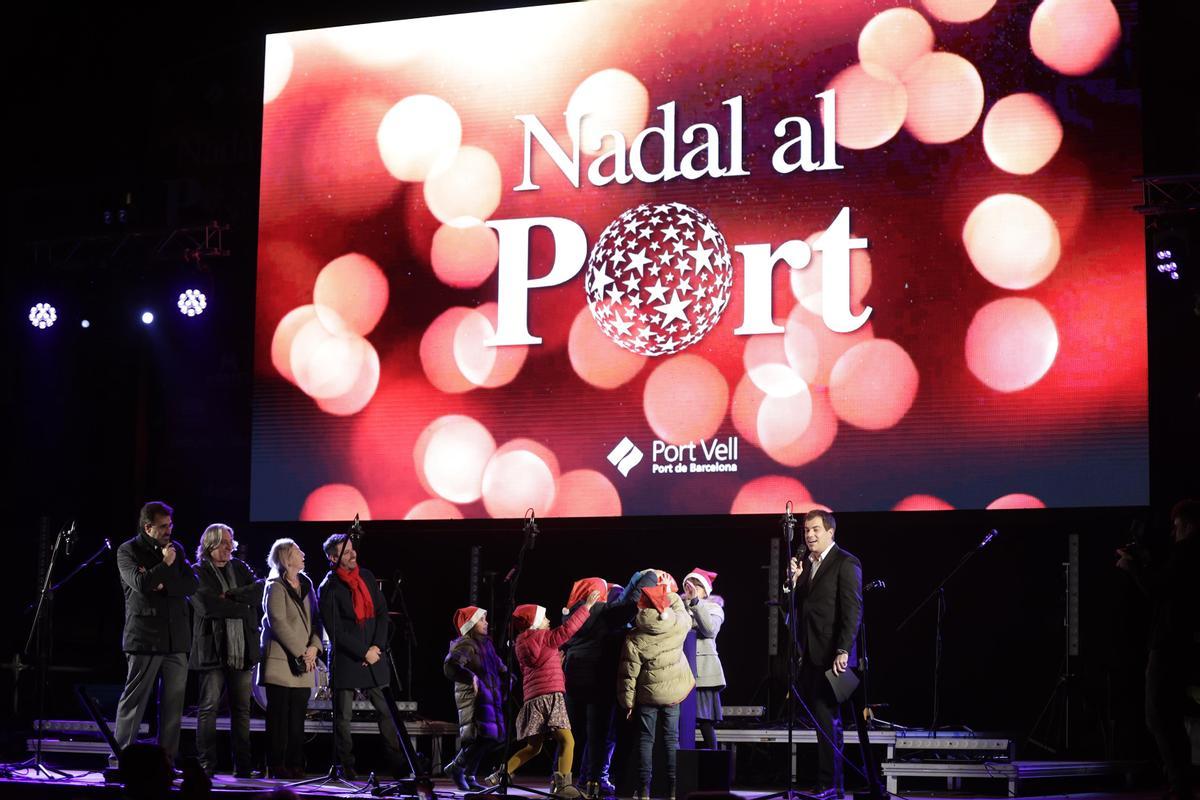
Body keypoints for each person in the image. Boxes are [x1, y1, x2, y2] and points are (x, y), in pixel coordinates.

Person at [1117, 499, 1198, 800]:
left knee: (1159, 716)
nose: (1173, 531)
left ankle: (1180, 785)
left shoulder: (1185, 553)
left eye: (1177, 526)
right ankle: (1180, 782)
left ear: (1188, 525)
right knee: (1170, 716)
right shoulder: (1188, 555)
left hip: (1168, 644)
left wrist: (1131, 567)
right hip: (1178, 643)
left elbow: (1159, 589)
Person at [484, 592, 600, 798]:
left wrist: (557, 660)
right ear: (536, 623)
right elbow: (568, 630)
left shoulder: (522, 644)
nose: (548, 621)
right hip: (551, 697)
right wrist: (587, 607)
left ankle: (501, 773)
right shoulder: (545, 638)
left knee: (533, 747)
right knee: (568, 741)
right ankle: (564, 786)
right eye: (544, 618)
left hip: (533, 700)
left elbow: (539, 666)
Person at [317, 533, 408, 780]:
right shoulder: (329, 587)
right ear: (333, 558)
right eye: (346, 553)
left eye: (352, 550)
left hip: (374, 655)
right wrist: (362, 651)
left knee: (386, 712)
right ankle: (346, 766)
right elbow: (335, 630)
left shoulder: (366, 576)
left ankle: (398, 763)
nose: (353, 554)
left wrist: (376, 647)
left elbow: (381, 613)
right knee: (343, 717)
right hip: (348, 658)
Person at [786, 510, 863, 800]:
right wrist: (793, 582)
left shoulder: (845, 562)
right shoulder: (807, 566)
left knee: (828, 719)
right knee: (821, 721)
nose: (809, 535)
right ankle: (830, 784)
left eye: (815, 529)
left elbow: (853, 610)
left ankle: (831, 784)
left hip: (833, 656)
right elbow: (794, 607)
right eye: (806, 530)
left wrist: (844, 649)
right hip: (809, 654)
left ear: (830, 532)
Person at [114, 501, 198, 764]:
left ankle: (167, 762)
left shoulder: (178, 549)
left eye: (170, 525)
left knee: (173, 707)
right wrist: (165, 565)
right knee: (134, 701)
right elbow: (140, 583)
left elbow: (191, 584)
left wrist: (162, 584)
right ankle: (120, 759)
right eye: (163, 527)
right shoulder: (128, 551)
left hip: (176, 639)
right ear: (148, 527)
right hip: (145, 638)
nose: (168, 531)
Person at [190, 523, 263, 778]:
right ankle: (206, 766)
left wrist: (229, 596)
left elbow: (259, 591)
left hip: (241, 649)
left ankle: (242, 766)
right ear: (210, 545)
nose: (229, 546)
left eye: (231, 541)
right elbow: (206, 607)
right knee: (208, 708)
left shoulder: (240, 567)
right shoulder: (197, 571)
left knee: (241, 710)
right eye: (223, 542)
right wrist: (240, 606)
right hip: (212, 649)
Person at [617, 583, 694, 800]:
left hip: (647, 696)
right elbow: (680, 608)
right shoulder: (678, 624)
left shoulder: (635, 637)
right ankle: (672, 791)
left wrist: (628, 704)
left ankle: (643, 791)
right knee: (671, 740)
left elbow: (628, 675)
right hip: (673, 693)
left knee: (645, 740)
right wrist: (666, 591)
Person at [260, 538, 323, 779]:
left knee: (298, 717)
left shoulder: (306, 583)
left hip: (305, 660)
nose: (303, 553)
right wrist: (301, 651)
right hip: (282, 660)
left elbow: (317, 620)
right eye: (298, 551)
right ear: (287, 558)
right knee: (278, 718)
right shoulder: (274, 586)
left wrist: (314, 648)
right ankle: (276, 764)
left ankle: (296, 763)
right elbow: (277, 621)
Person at [561, 577, 624, 799]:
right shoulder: (603, 611)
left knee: (569, 734)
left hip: (572, 678)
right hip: (598, 679)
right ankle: (594, 782)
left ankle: (560, 779)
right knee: (598, 734)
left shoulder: (571, 613)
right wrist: (619, 592)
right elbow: (623, 609)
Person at [443, 606, 506, 791]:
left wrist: (507, 675)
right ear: (471, 624)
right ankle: (457, 768)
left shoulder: (486, 644)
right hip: (473, 698)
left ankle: (468, 774)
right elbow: (450, 666)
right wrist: (471, 677)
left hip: (489, 698)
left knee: (490, 738)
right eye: (482, 620)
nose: (486, 623)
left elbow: (499, 665)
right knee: (479, 737)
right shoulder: (466, 644)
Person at [683, 568, 725, 750]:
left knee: (705, 722)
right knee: (681, 724)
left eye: (697, 585)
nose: (692, 588)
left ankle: (713, 769)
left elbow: (709, 629)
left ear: (705, 590)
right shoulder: (678, 608)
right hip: (681, 672)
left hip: (704, 673)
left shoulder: (714, 608)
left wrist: (694, 602)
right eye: (689, 584)